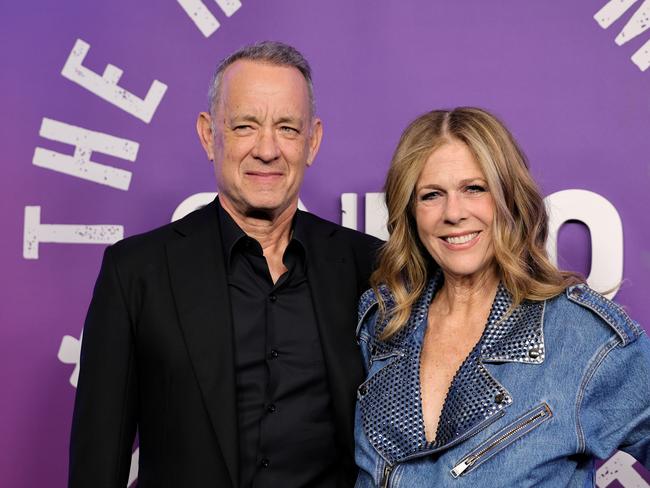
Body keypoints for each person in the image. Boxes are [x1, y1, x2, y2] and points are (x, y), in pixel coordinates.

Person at [69, 41, 380, 488]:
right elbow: (97, 466)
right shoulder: (136, 272)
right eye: (245, 126)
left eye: (287, 128)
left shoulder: (369, 266)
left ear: (311, 142)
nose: (267, 149)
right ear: (207, 134)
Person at [354, 107, 650, 487]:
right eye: (431, 195)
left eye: (474, 189)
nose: (453, 213)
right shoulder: (381, 323)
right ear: (411, 213)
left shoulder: (580, 335)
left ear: (510, 198)